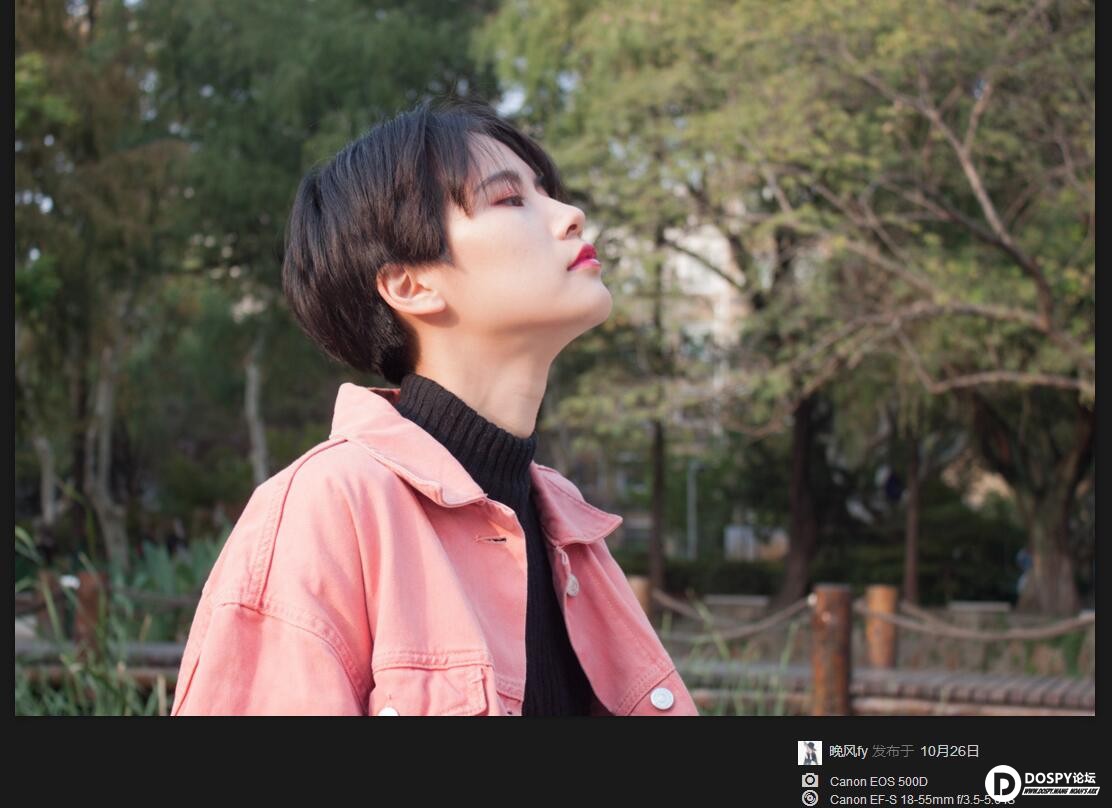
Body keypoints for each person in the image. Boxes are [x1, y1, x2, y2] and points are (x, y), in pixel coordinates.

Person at [170, 96, 699, 716]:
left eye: (548, 192)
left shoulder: (569, 527)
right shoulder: (329, 506)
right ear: (411, 284)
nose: (571, 215)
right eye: (511, 199)